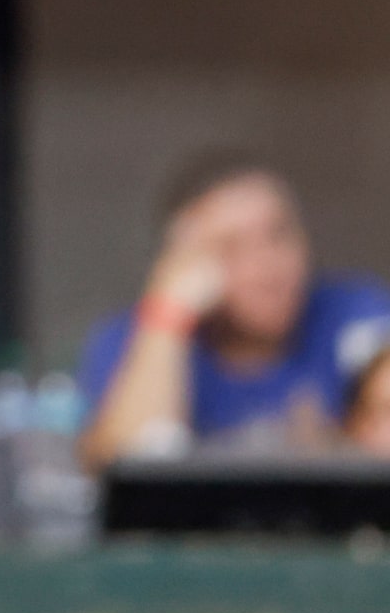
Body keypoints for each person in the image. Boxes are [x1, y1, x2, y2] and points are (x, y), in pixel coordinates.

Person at [79, 153, 390, 469]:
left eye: (279, 234)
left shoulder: (352, 316)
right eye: (231, 246)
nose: (268, 267)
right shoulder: (136, 339)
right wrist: (167, 313)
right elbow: (124, 469)